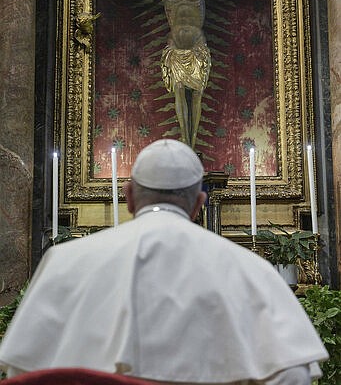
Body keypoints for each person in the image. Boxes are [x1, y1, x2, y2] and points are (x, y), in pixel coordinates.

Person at [0, 139, 328, 384]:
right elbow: (292, 372)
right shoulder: (250, 267)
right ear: (199, 203)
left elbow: (23, 368)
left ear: (128, 196)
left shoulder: (63, 261)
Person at [98, 0, 266, 150]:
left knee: (197, 95)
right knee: (178, 92)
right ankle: (185, 141)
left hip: (197, 44)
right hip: (175, 44)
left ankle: (193, 144)